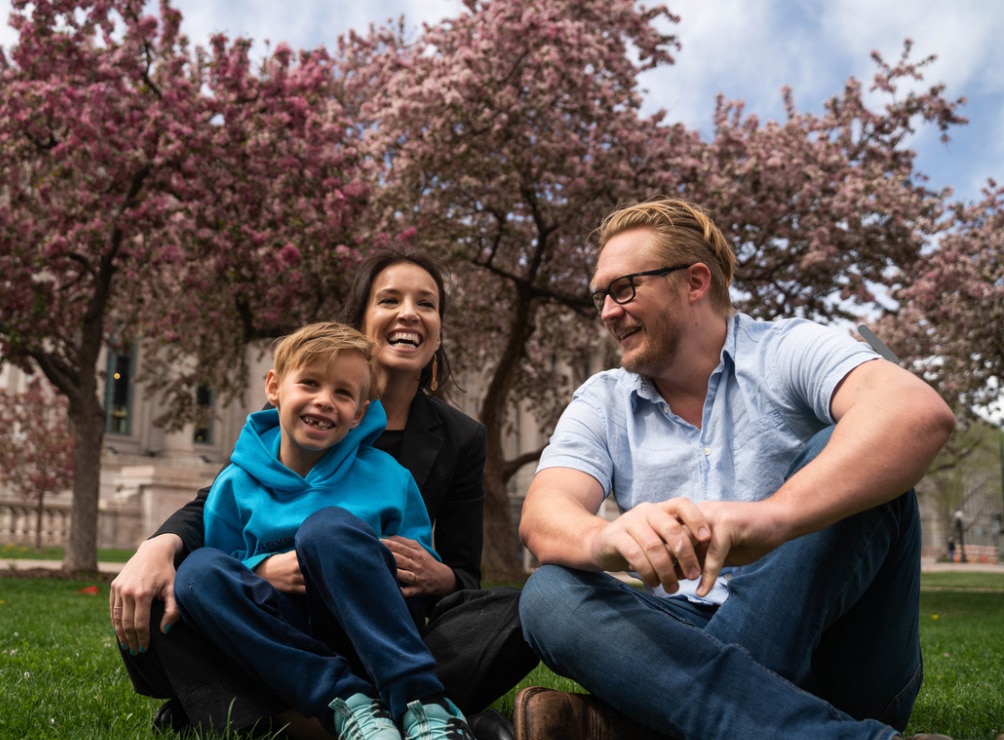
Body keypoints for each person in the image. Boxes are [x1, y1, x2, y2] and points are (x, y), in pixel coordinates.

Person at [514, 198, 957, 739]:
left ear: (694, 282)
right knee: (549, 594)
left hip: (839, 651)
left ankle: (641, 721)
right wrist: (606, 538)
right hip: (683, 630)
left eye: (624, 288)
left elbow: (915, 412)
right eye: (600, 295)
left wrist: (774, 518)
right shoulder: (601, 399)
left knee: (851, 449)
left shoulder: (789, 348)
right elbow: (544, 514)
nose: (607, 311)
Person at [110, 250, 536, 739]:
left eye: (427, 304)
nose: (408, 314)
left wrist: (438, 576)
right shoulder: (279, 433)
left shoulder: (451, 444)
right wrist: (162, 548)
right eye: (389, 300)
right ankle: (387, 713)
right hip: (277, 621)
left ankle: (305, 712)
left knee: (524, 609)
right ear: (359, 321)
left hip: (376, 622)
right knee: (182, 595)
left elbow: (462, 577)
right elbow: (216, 522)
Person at [172, 321, 474, 739]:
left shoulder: (390, 477)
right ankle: (350, 705)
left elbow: (412, 573)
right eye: (310, 383)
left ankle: (421, 702)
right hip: (285, 646)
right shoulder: (235, 484)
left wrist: (351, 557)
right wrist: (261, 569)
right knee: (195, 573)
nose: (324, 401)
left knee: (326, 529)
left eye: (343, 393)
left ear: (360, 414)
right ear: (275, 387)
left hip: (366, 635)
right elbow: (221, 567)